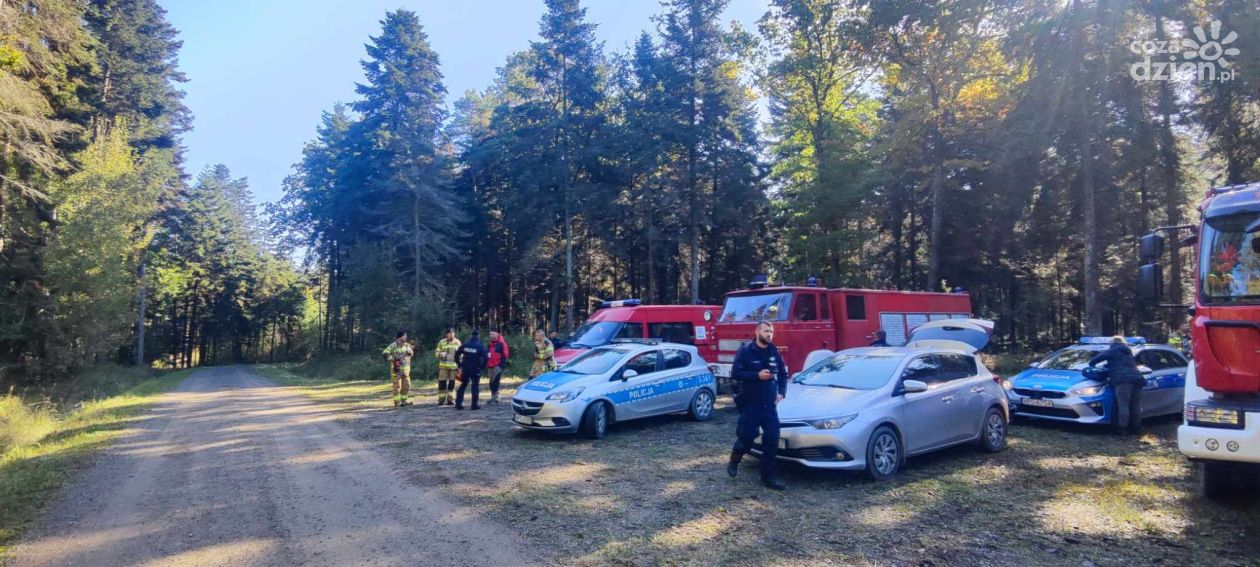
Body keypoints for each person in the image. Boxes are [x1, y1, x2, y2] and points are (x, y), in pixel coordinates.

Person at [726, 320, 789, 490]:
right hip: (751, 403)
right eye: (766, 331)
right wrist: (757, 375)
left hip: (769, 405)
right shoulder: (746, 351)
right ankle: (734, 459)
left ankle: (768, 478)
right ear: (757, 332)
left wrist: (782, 392)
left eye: (771, 331)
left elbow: (783, 374)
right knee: (746, 437)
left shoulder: (774, 352)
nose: (769, 334)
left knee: (772, 440)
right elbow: (736, 373)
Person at [1088, 336, 1145, 435]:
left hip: (1123, 381)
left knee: (1123, 404)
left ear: (1112, 343)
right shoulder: (1128, 351)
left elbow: (1094, 360)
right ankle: (1137, 428)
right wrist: (1109, 365)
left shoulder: (1113, 350)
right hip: (1138, 379)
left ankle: (1122, 429)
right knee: (1135, 405)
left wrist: (1093, 366)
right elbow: (1123, 364)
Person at [454, 330, 489, 410]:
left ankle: (458, 404)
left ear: (471, 335)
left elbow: (457, 354)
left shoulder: (465, 344)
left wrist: (459, 364)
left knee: (462, 385)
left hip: (465, 368)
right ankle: (474, 405)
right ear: (478, 336)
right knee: (475, 386)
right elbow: (486, 358)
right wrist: (481, 367)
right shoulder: (480, 346)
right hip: (475, 368)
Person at [382, 330, 415, 407]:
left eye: (405, 337)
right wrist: (391, 359)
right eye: (404, 337)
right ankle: (397, 402)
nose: (405, 338)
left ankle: (404, 401)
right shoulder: (393, 346)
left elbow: (411, 354)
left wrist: (411, 353)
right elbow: (385, 353)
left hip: (406, 371)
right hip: (396, 370)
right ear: (399, 338)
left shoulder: (407, 345)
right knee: (397, 386)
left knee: (407, 386)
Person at [434, 328, 461, 406]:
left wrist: (460, 365)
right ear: (446, 334)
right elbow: (436, 352)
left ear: (454, 334)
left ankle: (451, 400)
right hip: (443, 366)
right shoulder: (441, 342)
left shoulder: (457, 342)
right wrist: (439, 354)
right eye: (449, 333)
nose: (451, 335)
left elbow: (461, 354)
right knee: (442, 382)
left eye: (452, 333)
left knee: (452, 383)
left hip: (453, 367)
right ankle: (441, 400)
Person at [486, 330, 511, 404]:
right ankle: (492, 397)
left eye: (493, 334)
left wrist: (500, 365)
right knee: (491, 382)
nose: (491, 335)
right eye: (490, 334)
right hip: (490, 365)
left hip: (498, 366)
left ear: (497, 334)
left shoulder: (502, 343)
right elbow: (487, 354)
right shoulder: (489, 344)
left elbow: (505, 355)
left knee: (495, 381)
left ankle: (496, 397)